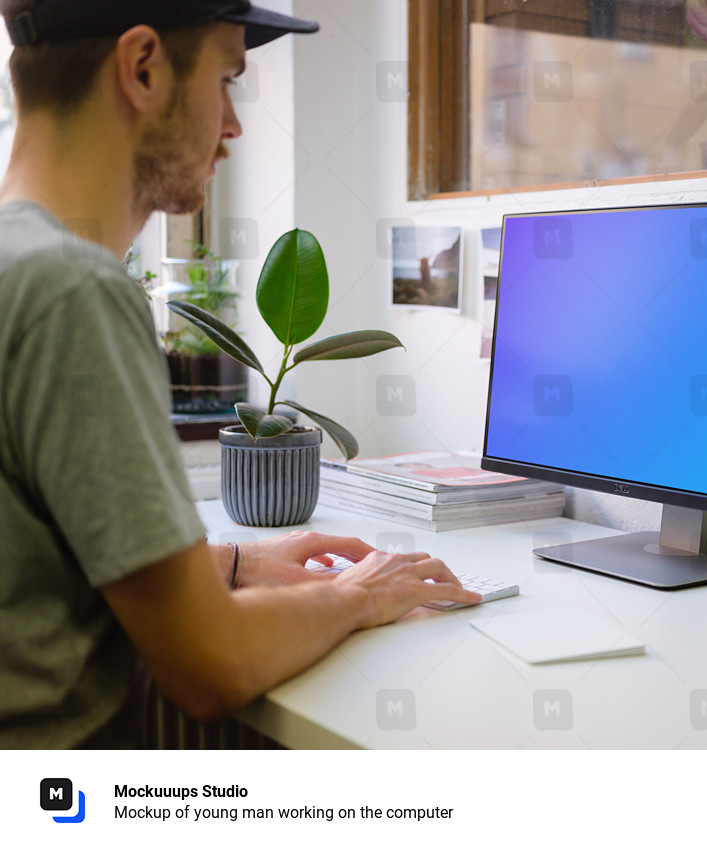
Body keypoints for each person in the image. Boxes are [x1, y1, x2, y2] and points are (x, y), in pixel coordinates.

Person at [0, 0, 480, 749]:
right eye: (226, 78)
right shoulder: (71, 290)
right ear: (142, 68)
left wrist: (232, 563)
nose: (233, 123)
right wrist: (361, 595)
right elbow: (210, 666)